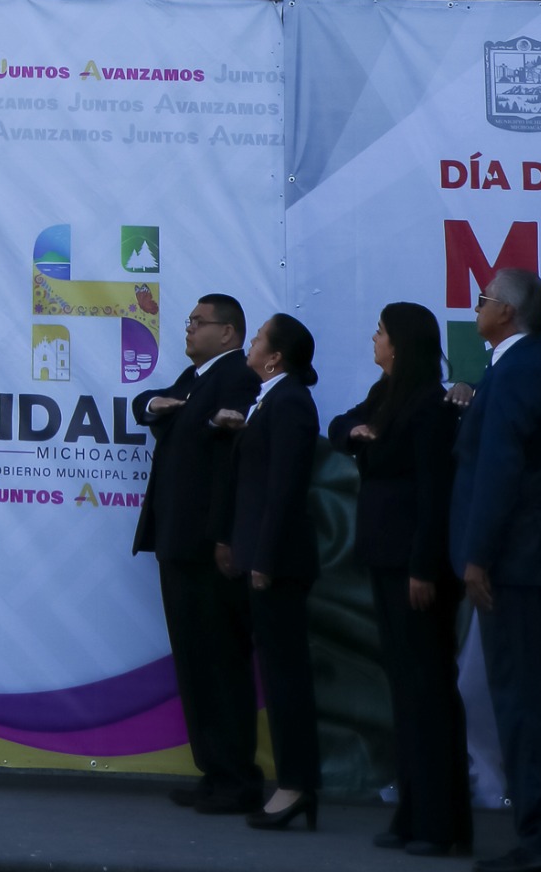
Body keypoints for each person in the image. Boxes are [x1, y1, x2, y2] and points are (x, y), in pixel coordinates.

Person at [451, 266, 541, 872]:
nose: (475, 308)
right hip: (528, 558)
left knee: (529, 705)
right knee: (538, 702)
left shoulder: (520, 366)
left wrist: (477, 554)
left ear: (506, 312)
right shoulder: (526, 365)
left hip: (520, 561)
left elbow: (499, 467)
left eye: (483, 299)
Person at [328, 302, 470, 856]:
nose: (374, 339)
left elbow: (435, 495)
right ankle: (413, 813)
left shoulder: (431, 406)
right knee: (406, 692)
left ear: (401, 344)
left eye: (382, 333)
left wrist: (422, 567)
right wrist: (357, 432)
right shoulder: (385, 395)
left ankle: (441, 822)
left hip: (414, 565)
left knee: (427, 689)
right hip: (385, 558)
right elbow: (340, 425)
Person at [133, 293, 261, 815]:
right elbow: (148, 402)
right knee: (194, 664)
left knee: (220, 664)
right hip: (178, 544)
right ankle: (214, 770)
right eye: (189, 321)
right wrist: (154, 406)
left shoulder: (238, 379)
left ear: (228, 332)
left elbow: (231, 465)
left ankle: (237, 778)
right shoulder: (195, 378)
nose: (188, 329)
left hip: (209, 549)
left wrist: (225, 536)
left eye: (198, 321)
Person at [213, 312, 322, 832]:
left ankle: (297, 784)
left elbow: (285, 489)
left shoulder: (291, 401)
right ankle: (294, 783)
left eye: (257, 339)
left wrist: (265, 558)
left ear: (275, 357)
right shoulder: (271, 400)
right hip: (261, 555)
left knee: (286, 679)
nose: (251, 344)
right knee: (277, 676)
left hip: (278, 563)